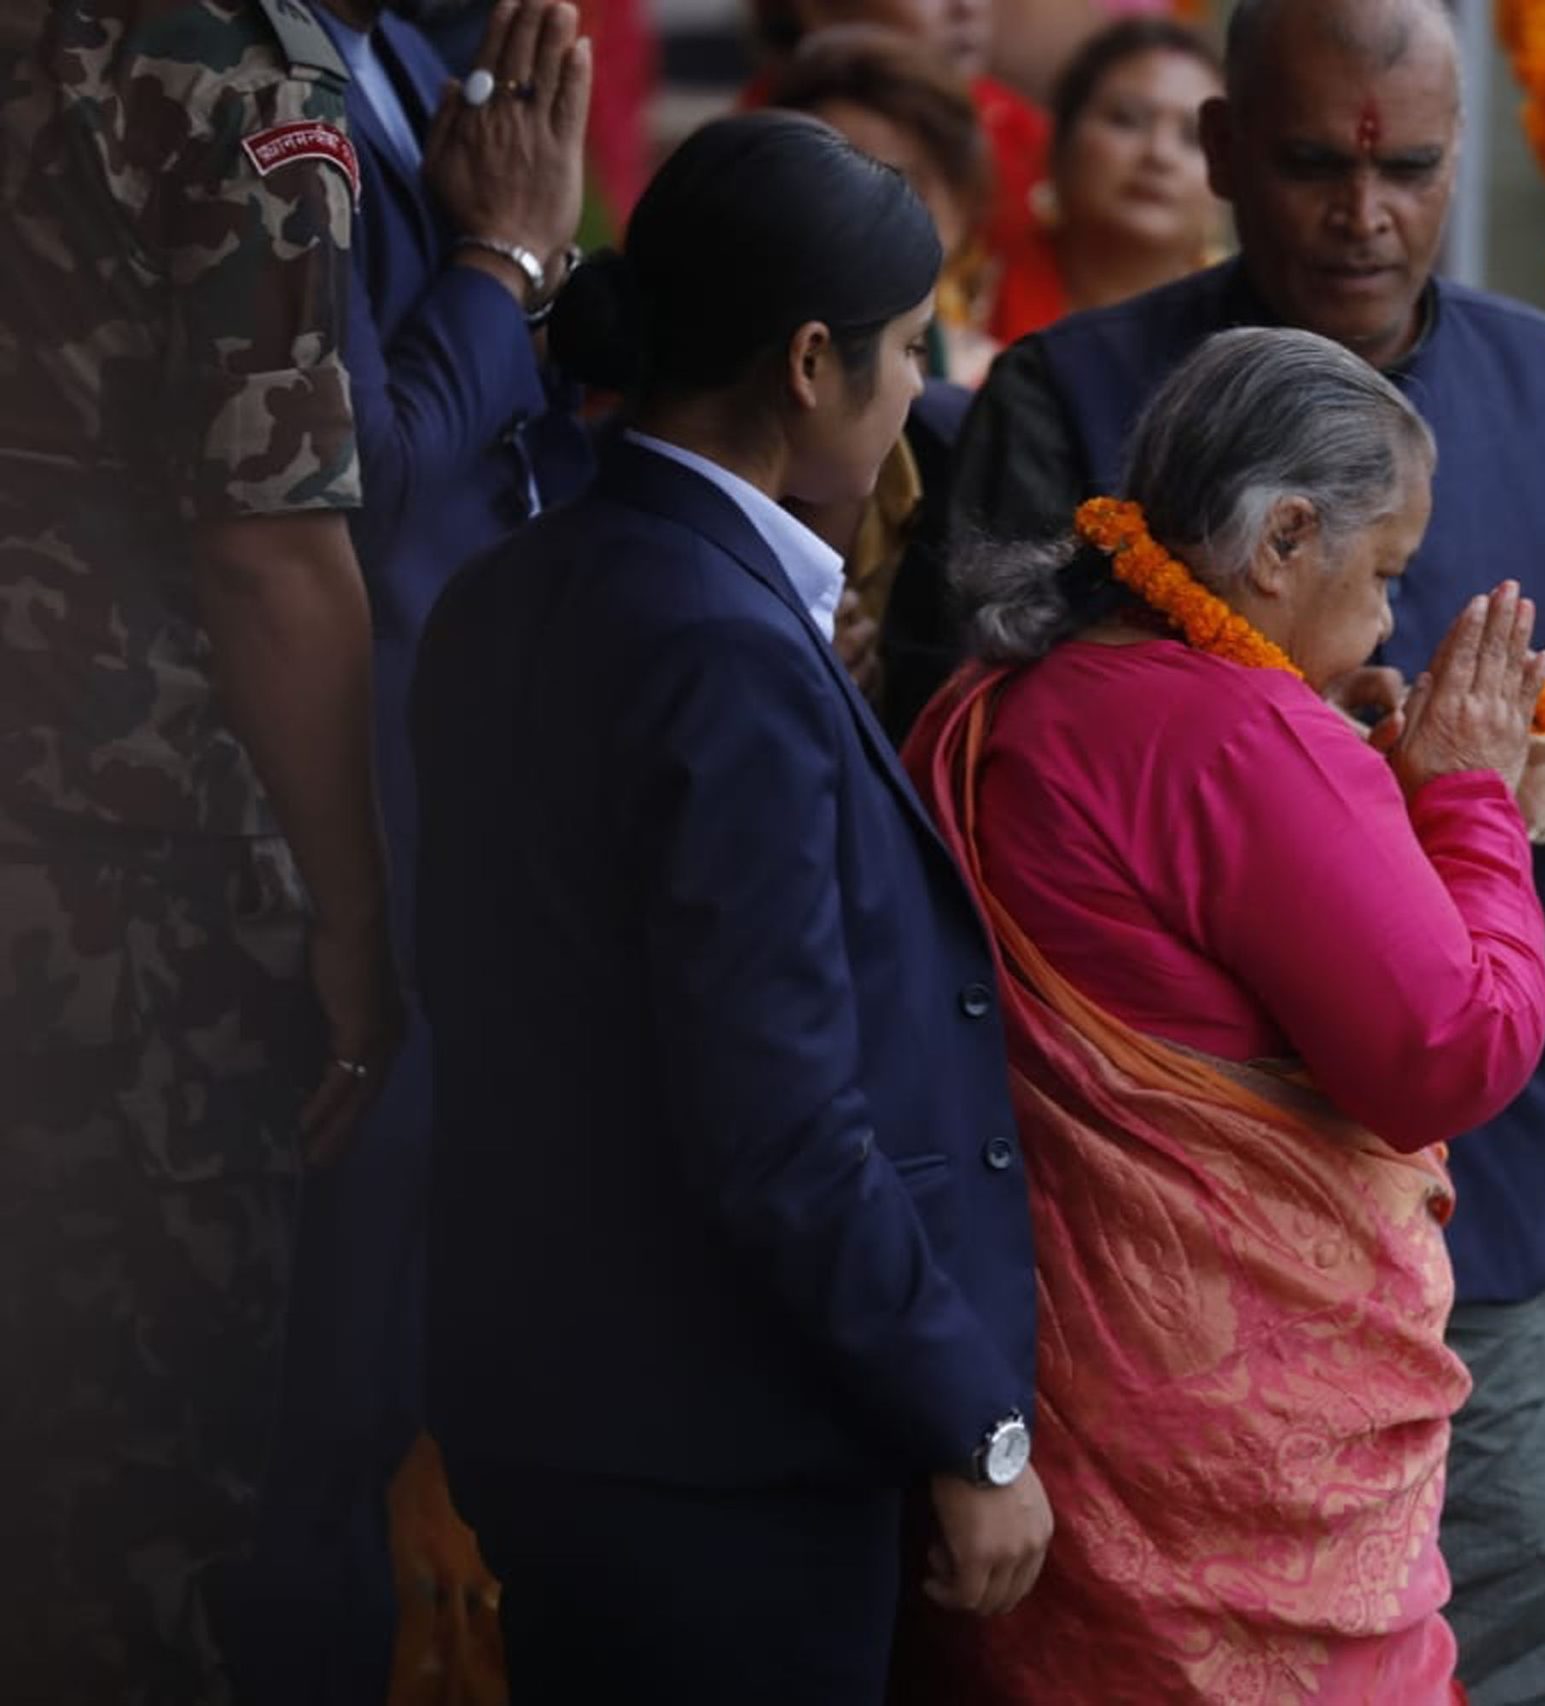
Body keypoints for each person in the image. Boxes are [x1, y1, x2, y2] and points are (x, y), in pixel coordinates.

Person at [890, 2, 1545, 1698]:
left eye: (1407, 170)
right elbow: (948, 802)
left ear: (1456, 169)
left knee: (1518, 1650)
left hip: (1485, 1193)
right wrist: (1384, 784)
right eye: (1318, 165)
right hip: (1144, 1251)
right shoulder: (1075, 395)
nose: (1365, 214)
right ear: (1227, 153)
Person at [407, 112, 1048, 1704]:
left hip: (553, 1400)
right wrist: (970, 1419)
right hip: (714, 1444)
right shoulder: (720, 646)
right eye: (911, 351)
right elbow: (775, 1119)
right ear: (813, 362)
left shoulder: (521, 580)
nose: (923, 393)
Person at [904, 325, 1545, 1703]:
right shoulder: (1244, 740)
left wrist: (1339, 755)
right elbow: (1453, 1049)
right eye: (1380, 575)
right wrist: (1470, 796)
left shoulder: (1000, 687)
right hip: (1223, 1467)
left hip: (1048, 1410)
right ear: (1283, 540)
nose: (1388, 618)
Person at [0, 0, 400, 1699]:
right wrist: (362, 934)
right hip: (115, 883)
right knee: (130, 1529)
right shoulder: (238, 72)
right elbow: (268, 548)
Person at [225, 0, 596, 1697]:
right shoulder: (249, 71)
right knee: (294, 1437)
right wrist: (502, 263)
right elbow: (349, 486)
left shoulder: (423, 53)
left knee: (383, 1407)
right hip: (298, 845)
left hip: (440, 820)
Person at [769, 26, 997, 383]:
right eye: (834, 184)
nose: (861, 217)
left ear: (961, 204)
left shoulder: (995, 388)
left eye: (898, 186)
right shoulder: (727, 383)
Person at [986, 16, 1224, 343]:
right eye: (1127, 120)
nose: (1159, 154)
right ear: (1059, 145)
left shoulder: (1244, 331)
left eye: (1192, 137)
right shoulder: (973, 282)